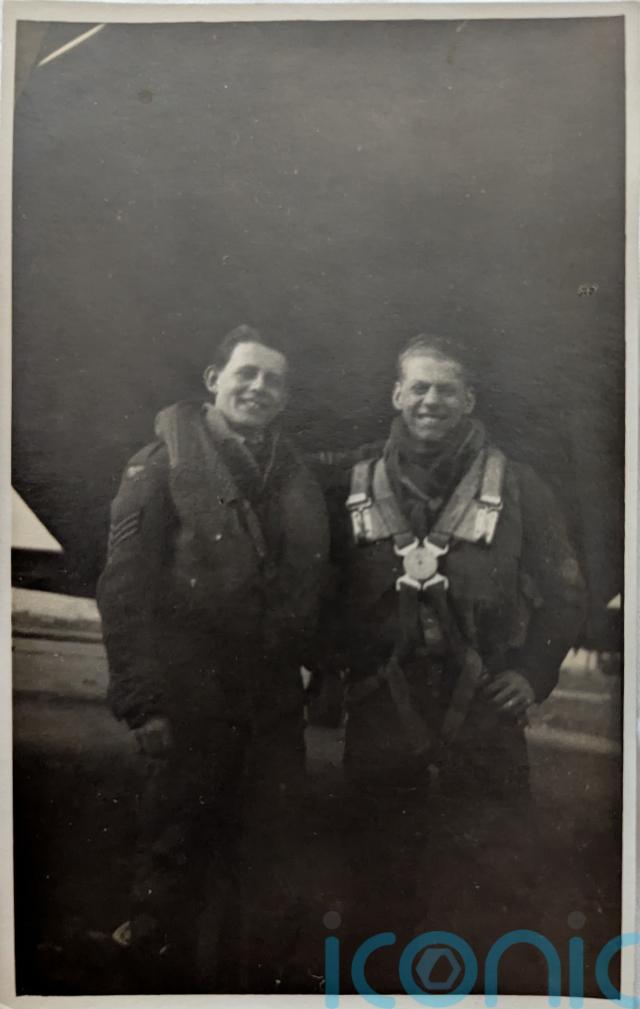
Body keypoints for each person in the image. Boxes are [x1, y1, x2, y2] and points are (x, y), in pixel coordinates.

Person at [314, 334, 587, 986]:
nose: (431, 400)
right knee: (376, 876)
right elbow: (315, 585)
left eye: (446, 389)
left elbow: (566, 594)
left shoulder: (519, 487)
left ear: (469, 399)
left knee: (496, 874)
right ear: (397, 395)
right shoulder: (352, 481)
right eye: (419, 387)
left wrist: (533, 673)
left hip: (485, 704)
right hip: (383, 704)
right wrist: (333, 665)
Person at [96, 324, 329, 991]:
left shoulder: (294, 473)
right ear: (213, 380)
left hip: (271, 709)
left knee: (266, 869)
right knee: (171, 862)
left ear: (285, 396)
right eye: (245, 374)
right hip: (187, 702)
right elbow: (124, 589)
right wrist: (142, 701)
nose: (258, 388)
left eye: (273, 380)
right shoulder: (159, 464)